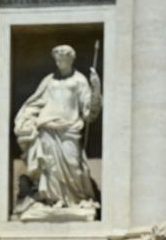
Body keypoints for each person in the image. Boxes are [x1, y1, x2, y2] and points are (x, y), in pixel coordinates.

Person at [13, 44, 102, 219]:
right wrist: (26, 119)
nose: (60, 62)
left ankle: (76, 200)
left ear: (71, 59)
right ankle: (54, 201)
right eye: (58, 59)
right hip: (46, 128)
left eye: (64, 59)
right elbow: (35, 103)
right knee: (50, 167)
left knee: (73, 164)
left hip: (69, 129)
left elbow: (89, 112)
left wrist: (96, 89)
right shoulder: (49, 80)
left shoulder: (79, 80)